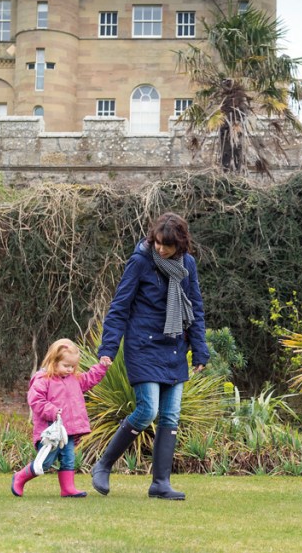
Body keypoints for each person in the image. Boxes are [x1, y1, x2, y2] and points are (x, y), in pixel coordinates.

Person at [91, 212, 210, 500]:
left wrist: (200, 350)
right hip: (143, 346)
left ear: (180, 244)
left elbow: (194, 307)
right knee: (147, 411)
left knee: (170, 415)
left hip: (173, 347)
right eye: (157, 242)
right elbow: (119, 306)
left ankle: (160, 483)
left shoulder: (187, 265)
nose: (160, 249)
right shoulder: (141, 261)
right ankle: (103, 465)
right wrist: (108, 348)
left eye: (166, 245)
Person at [11, 338, 110, 498]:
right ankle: (20, 477)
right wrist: (52, 410)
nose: (70, 369)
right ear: (53, 361)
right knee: (46, 461)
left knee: (69, 458)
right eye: (66, 365)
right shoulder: (43, 380)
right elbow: (35, 400)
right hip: (51, 431)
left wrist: (102, 367)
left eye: (73, 366)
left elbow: (90, 378)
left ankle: (68, 488)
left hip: (68, 430)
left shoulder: (75, 379)